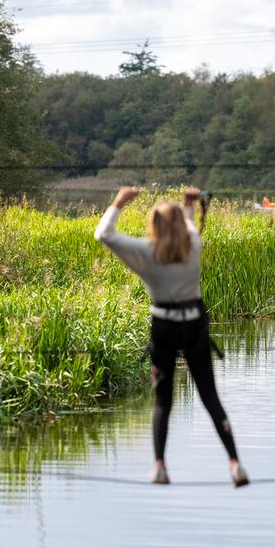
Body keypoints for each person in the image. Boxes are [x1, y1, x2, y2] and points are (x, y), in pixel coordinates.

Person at [95, 186, 248, 488]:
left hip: (163, 326)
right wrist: (188, 205)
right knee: (210, 398)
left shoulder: (145, 252)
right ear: (180, 224)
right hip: (193, 324)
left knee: (163, 401)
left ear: (154, 226)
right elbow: (189, 226)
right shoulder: (193, 244)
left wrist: (119, 202)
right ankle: (234, 464)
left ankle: (159, 467)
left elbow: (103, 234)